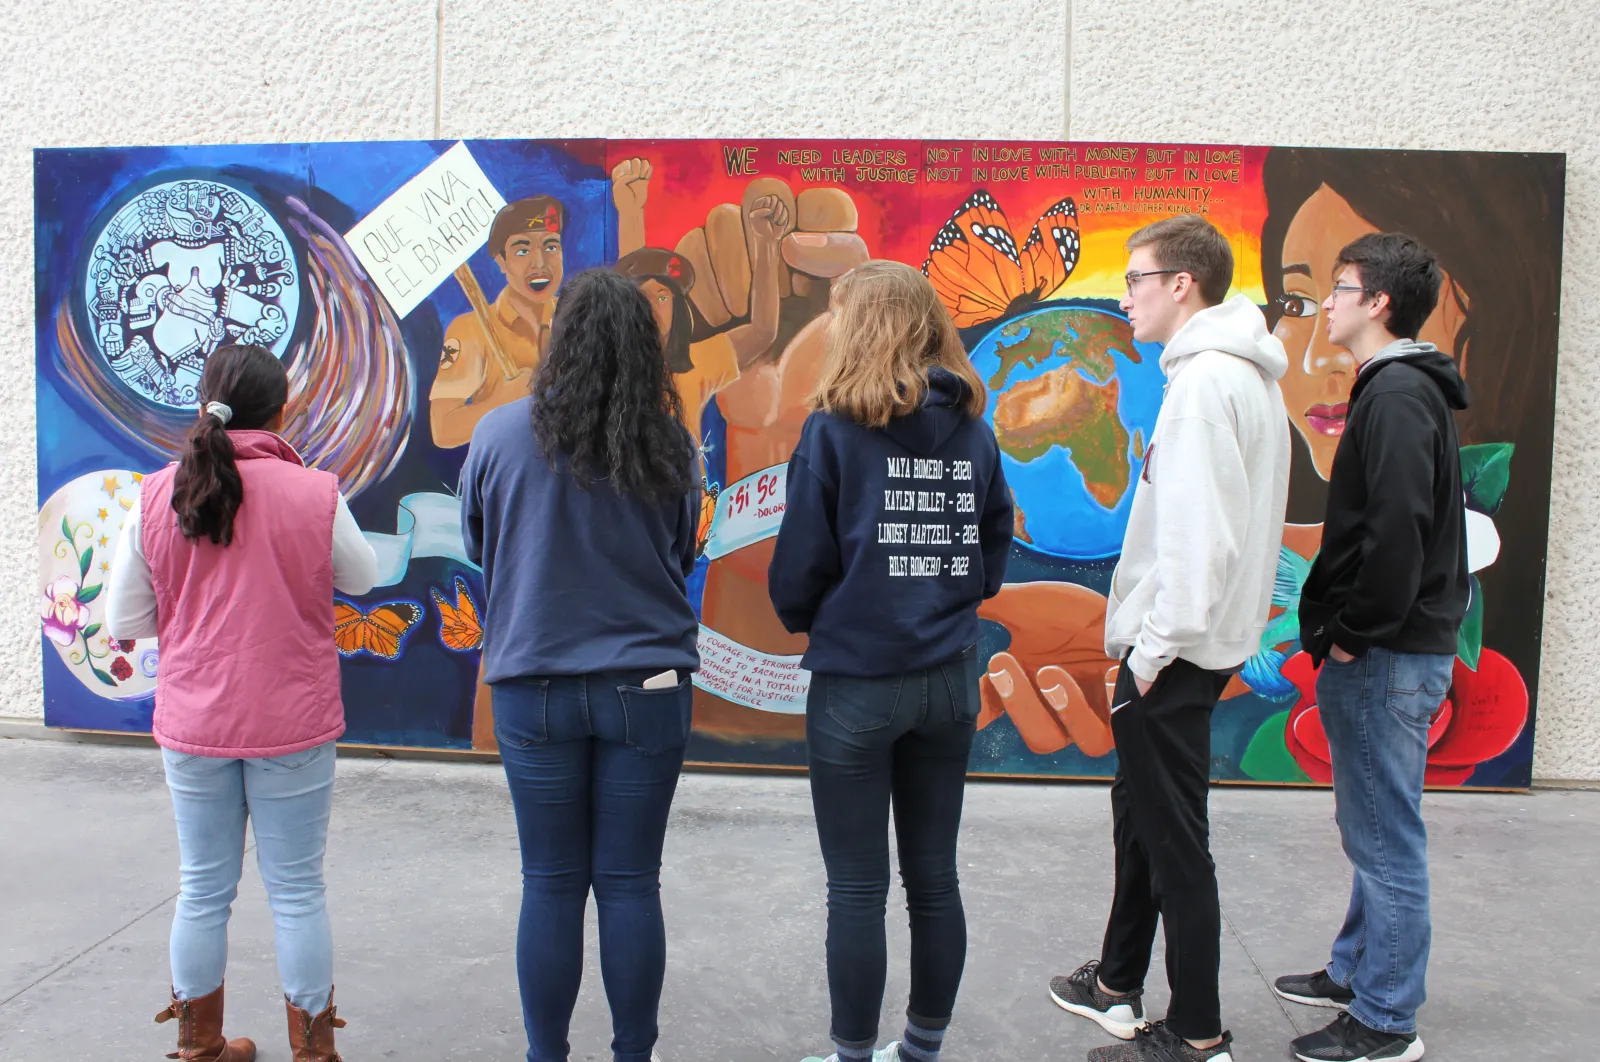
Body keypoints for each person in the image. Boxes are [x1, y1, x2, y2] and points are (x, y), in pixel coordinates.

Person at [1048, 215, 1289, 1062]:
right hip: (1193, 649)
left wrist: (1149, 655)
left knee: (1177, 842)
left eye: (1138, 279)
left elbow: (1199, 544)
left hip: (1175, 656)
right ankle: (1116, 981)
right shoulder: (1242, 376)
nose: (1126, 297)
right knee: (1143, 820)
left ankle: (1196, 1033)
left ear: (1182, 283)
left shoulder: (1203, 386)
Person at [767, 260, 1015, 1062]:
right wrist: (948, 597)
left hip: (856, 682)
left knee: (857, 888)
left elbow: (797, 569)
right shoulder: (975, 431)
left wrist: (824, 619)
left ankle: (852, 1056)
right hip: (947, 680)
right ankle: (922, 1049)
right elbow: (993, 547)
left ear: (860, 328)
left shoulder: (832, 432)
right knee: (934, 879)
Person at [105, 342, 379, 1062]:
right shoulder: (316, 491)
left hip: (194, 724)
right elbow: (364, 577)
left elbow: (121, 620)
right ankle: (313, 1051)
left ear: (205, 405)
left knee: (202, 890)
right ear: (282, 413)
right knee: (296, 892)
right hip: (294, 723)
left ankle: (199, 1047)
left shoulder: (160, 493)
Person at [459, 268, 701, 1062]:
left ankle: (546, 1056)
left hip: (533, 687)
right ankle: (635, 1054)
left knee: (551, 881)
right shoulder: (670, 444)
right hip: (650, 687)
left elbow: (479, 544)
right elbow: (679, 551)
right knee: (631, 882)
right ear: (647, 349)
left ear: (558, 340)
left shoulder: (496, 436)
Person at [1272, 233, 1469, 1062]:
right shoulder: (1404, 390)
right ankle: (1355, 969)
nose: (1328, 302)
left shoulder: (1393, 397)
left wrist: (1352, 636)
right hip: (1396, 649)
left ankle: (1386, 1019)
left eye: (1341, 286)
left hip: (1385, 654)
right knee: (1375, 827)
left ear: (1378, 302)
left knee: (1385, 836)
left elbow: (1396, 535)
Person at [430, 195, 568, 449]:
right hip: (507, 477)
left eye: (551, 247)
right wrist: (499, 403)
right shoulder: (470, 331)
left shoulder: (579, 318)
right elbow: (443, 430)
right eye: (523, 250)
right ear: (501, 262)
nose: (540, 263)